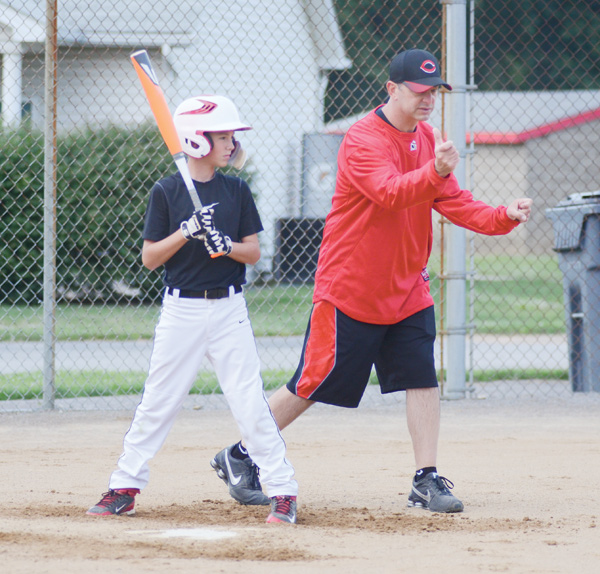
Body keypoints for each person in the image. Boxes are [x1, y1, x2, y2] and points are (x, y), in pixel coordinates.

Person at [211, 49, 533, 514]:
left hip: (406, 288)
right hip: (351, 288)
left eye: (434, 91)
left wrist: (502, 216)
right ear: (392, 90)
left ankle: (426, 479)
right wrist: (435, 170)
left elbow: (454, 201)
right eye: (419, 91)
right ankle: (240, 454)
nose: (428, 100)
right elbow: (389, 193)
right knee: (312, 381)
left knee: (421, 376)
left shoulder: (427, 137)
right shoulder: (363, 139)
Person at [86, 95, 298, 524]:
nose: (231, 142)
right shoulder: (167, 191)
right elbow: (150, 258)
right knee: (158, 402)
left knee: (250, 404)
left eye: (230, 135)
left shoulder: (236, 189)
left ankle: (283, 492)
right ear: (196, 141)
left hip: (229, 310)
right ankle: (124, 486)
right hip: (180, 311)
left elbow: (254, 253)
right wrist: (186, 231)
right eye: (222, 135)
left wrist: (227, 246)